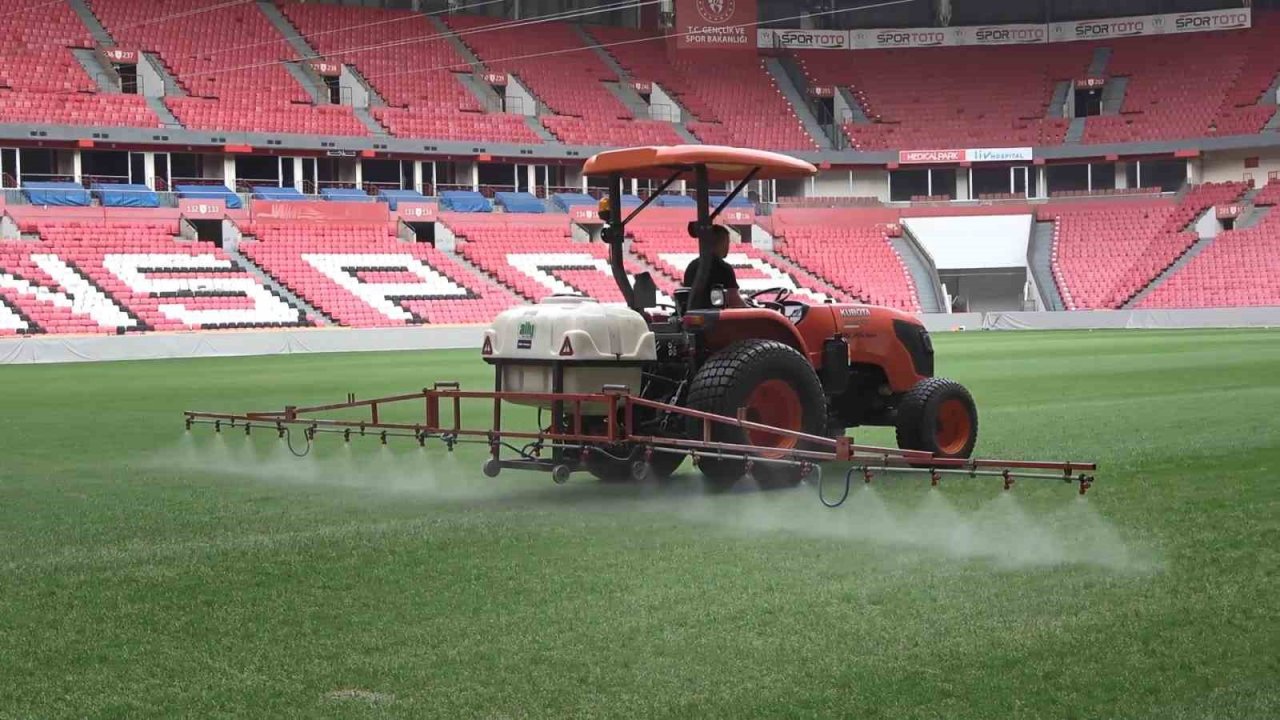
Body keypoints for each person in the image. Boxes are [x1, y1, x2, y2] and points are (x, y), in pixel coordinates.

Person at [683, 225, 746, 309]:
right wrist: (751, 308)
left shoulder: (691, 266)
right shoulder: (724, 269)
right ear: (722, 243)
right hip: (717, 319)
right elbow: (734, 301)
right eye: (728, 242)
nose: (728, 247)